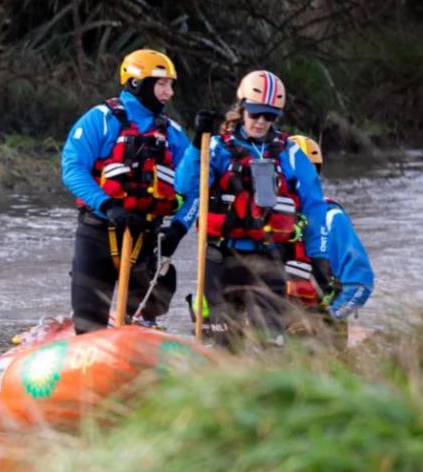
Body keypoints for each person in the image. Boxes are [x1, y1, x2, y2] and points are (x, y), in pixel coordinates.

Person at [174, 71, 333, 346]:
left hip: (269, 259)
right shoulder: (216, 147)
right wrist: (197, 141)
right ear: (242, 108)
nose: (260, 122)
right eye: (255, 113)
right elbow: (185, 185)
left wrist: (319, 256)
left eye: (269, 116)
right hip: (220, 258)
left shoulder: (290, 153)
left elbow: (315, 206)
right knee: (223, 341)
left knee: (271, 342)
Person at [60, 49, 194, 334]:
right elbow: (73, 169)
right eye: (161, 84)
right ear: (137, 83)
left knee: (144, 316)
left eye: (171, 85)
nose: (169, 92)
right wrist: (108, 205)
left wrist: (179, 227)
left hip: (147, 239)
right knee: (87, 320)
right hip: (99, 232)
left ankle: (143, 334)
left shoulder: (174, 135)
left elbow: (194, 189)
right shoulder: (99, 120)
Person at [284, 135, 374, 345]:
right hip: (273, 329)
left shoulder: (332, 218)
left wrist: (329, 320)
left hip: (319, 335)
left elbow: (361, 284)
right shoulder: (264, 219)